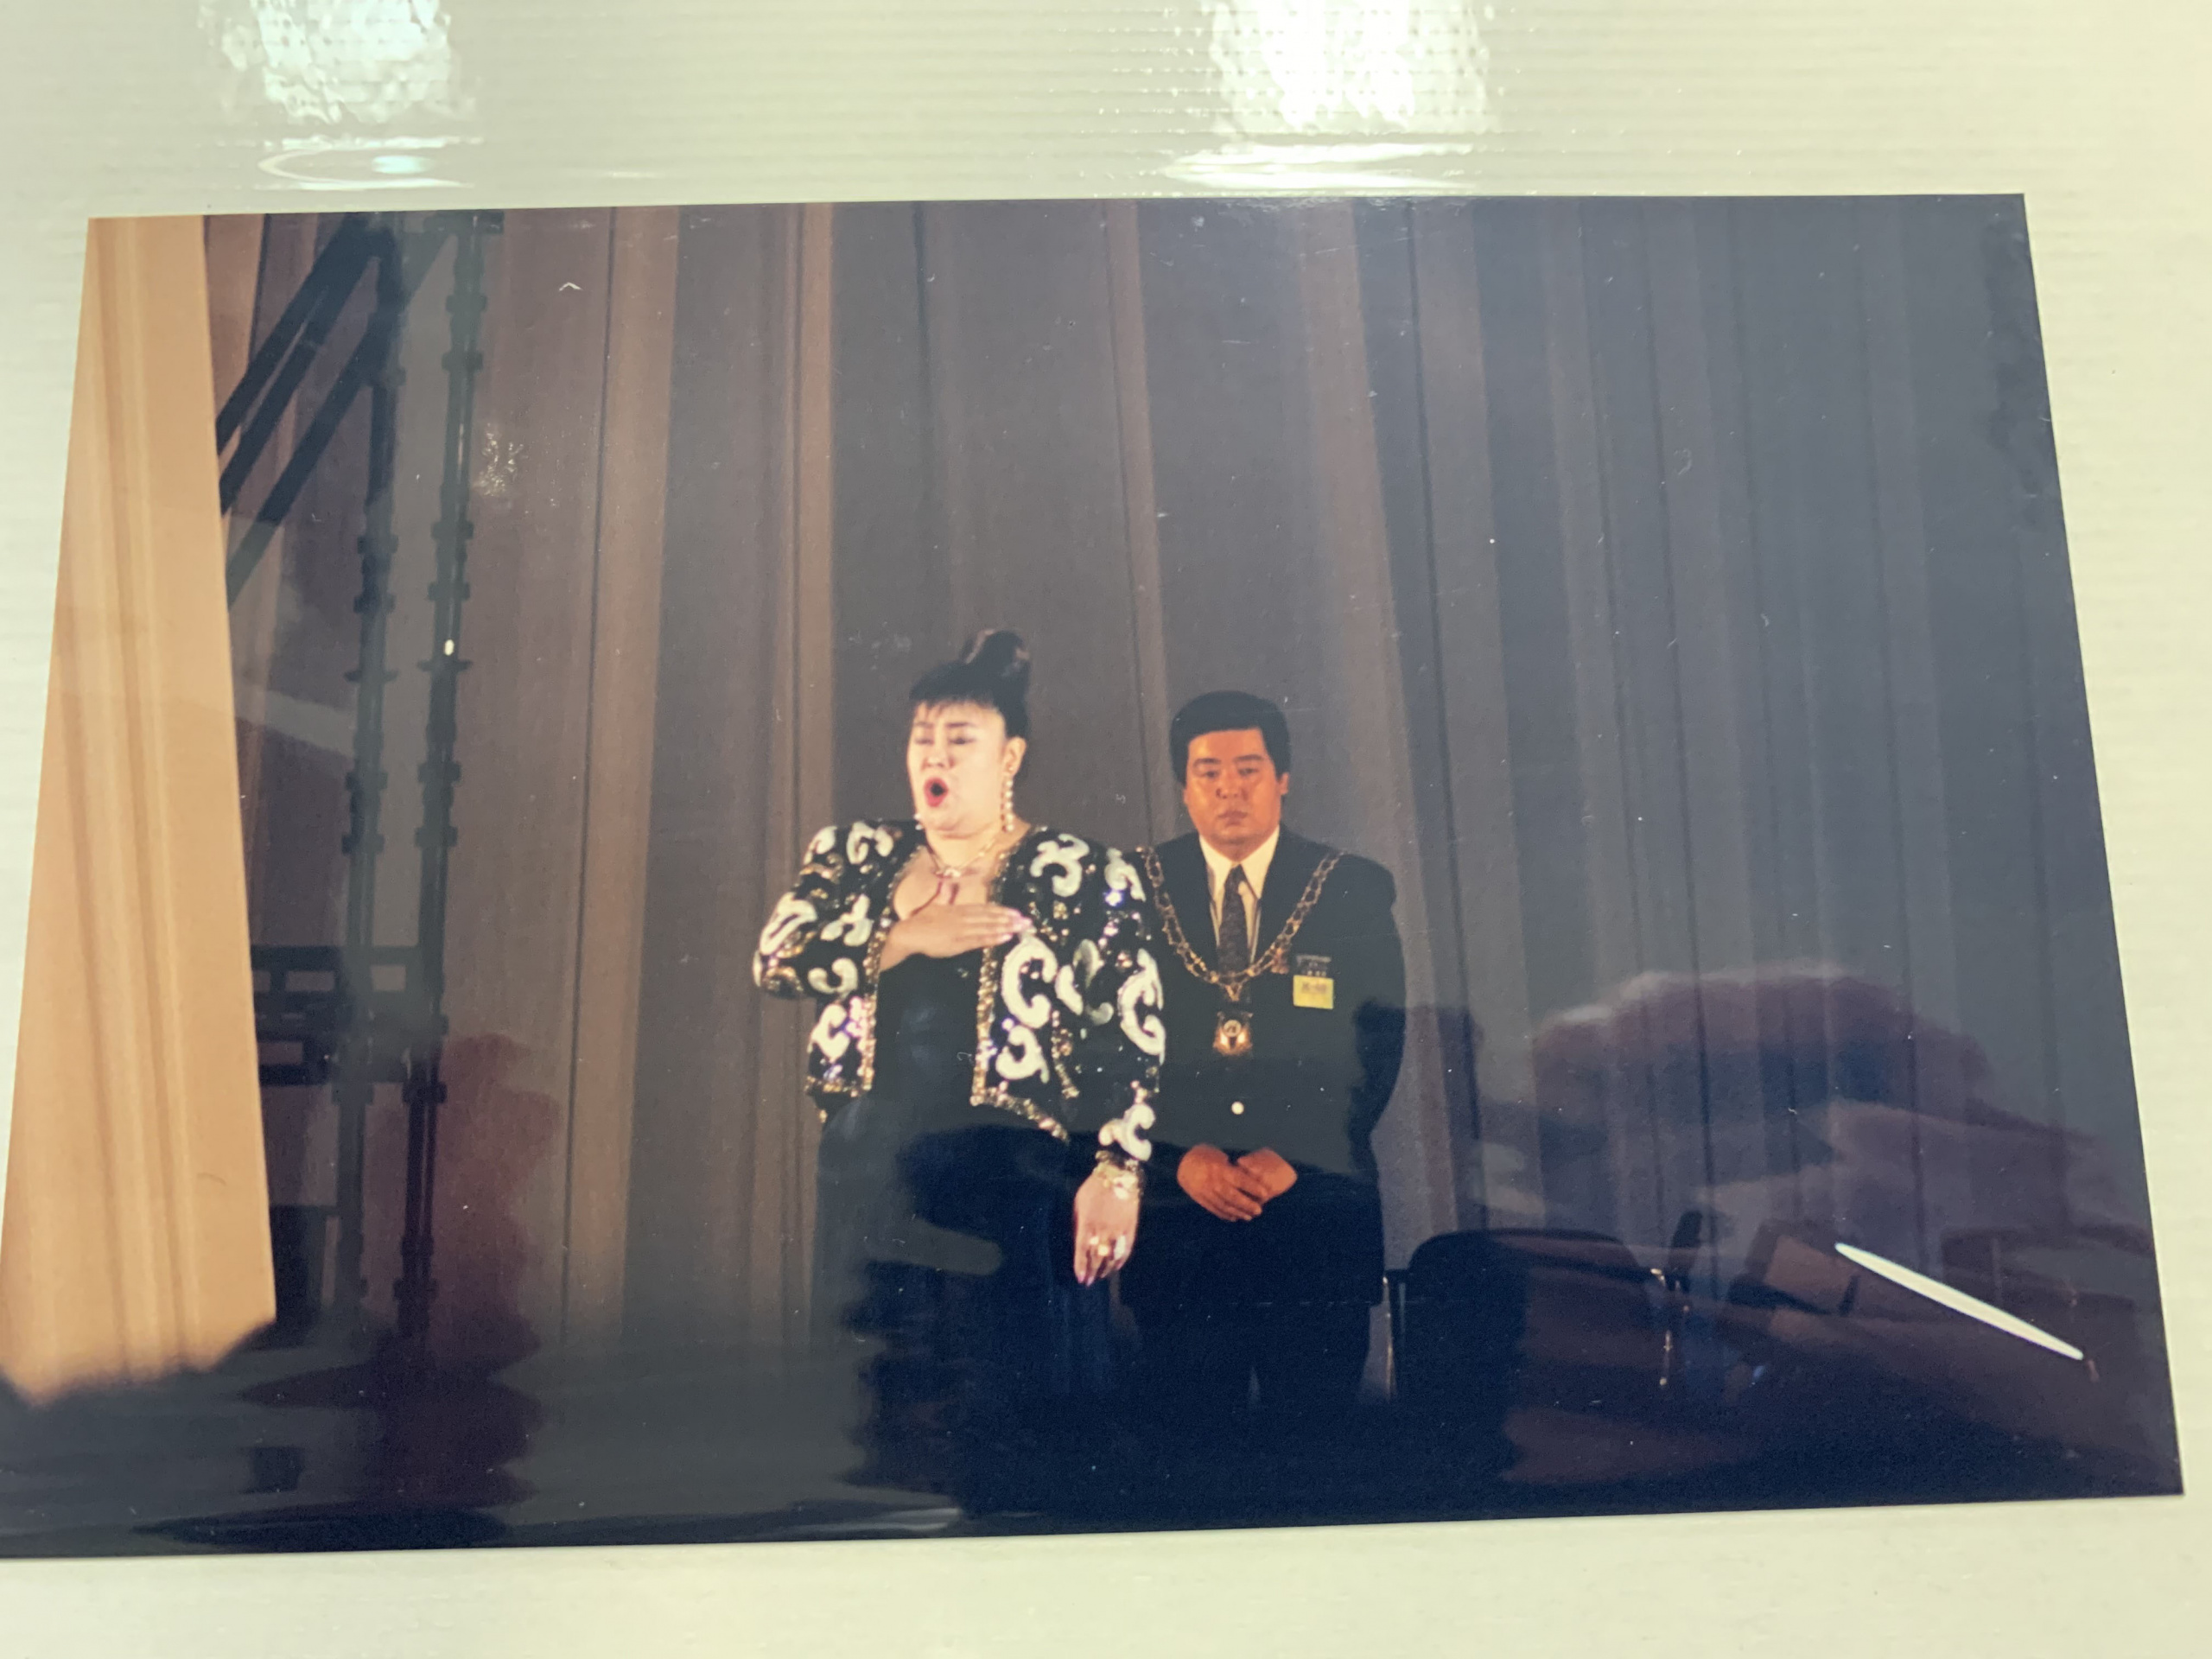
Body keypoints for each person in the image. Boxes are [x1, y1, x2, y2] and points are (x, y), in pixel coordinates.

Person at [753, 629, 1166, 1509]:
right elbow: (776, 962)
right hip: (872, 1173)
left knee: (1011, 1425)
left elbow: (1131, 1033)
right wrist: (902, 938)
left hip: (1012, 1185)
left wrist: (1118, 1171)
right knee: (878, 1421)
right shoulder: (856, 854)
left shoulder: (1082, 871)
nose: (934, 758)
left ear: (1009, 755)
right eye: (923, 740)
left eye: (960, 739)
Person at [1118, 690, 1406, 1435]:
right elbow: (1106, 1052)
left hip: (1314, 1221)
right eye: (1208, 773)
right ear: (1184, 787)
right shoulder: (1130, 891)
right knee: (1193, 1459)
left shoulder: (1349, 888)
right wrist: (1178, 1159)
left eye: (1248, 769)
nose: (1229, 790)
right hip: (1179, 1227)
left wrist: (1297, 1153)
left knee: (1314, 1457)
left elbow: (1375, 1049)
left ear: (1282, 779)